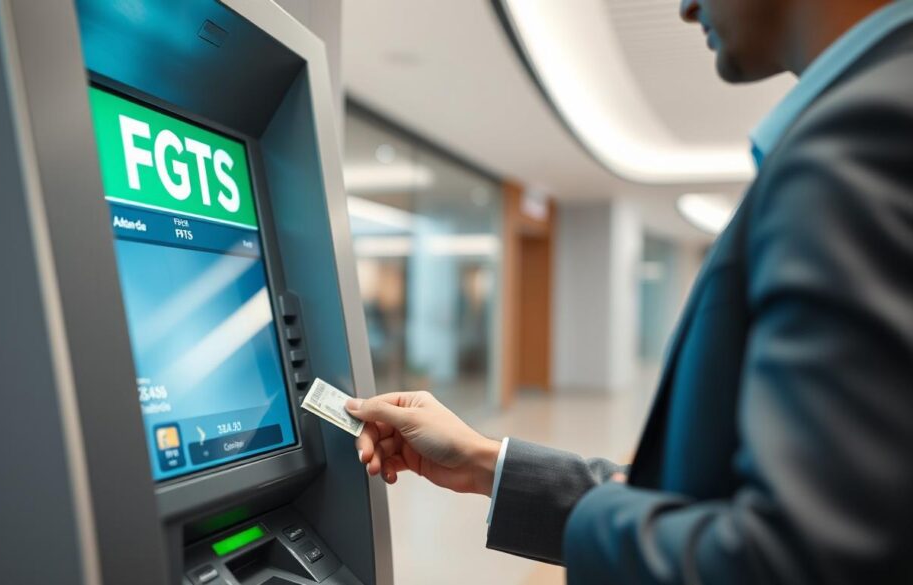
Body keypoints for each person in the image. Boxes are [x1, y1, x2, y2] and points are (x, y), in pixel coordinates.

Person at [345, 0, 913, 581]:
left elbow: (796, 559)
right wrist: (482, 461)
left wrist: (599, 517)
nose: (688, 9)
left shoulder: (870, 135)